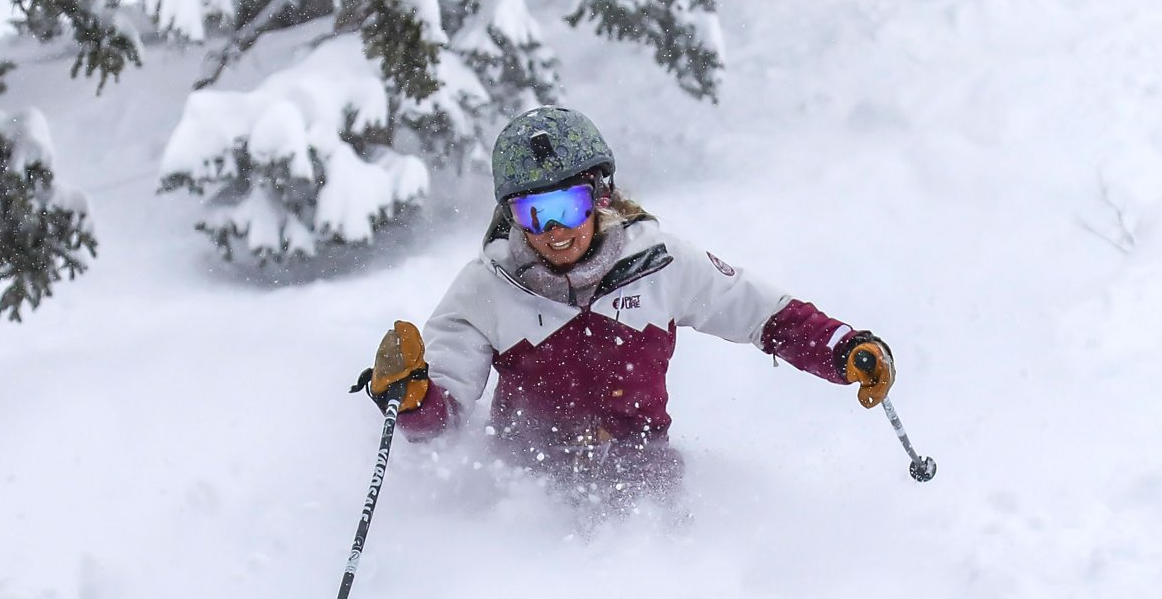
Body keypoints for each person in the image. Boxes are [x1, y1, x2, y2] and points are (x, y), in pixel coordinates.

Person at [357, 106, 894, 509]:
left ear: (600, 195)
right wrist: (412, 397)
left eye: (569, 206)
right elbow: (441, 420)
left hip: (644, 480)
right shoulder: (487, 287)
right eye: (532, 213)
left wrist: (842, 349)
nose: (555, 230)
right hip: (525, 492)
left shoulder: (659, 264)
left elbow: (761, 314)